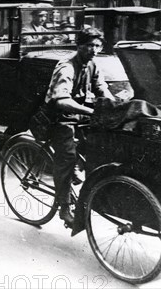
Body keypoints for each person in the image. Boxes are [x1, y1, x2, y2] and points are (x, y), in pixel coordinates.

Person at [44, 27, 115, 226]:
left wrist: (114, 105)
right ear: (79, 46)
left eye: (98, 46)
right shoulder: (66, 67)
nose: (94, 50)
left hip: (79, 115)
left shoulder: (92, 64)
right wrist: (91, 111)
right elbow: (61, 100)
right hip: (60, 118)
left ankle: (78, 165)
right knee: (66, 158)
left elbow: (101, 88)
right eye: (89, 45)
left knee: (96, 143)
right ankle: (64, 209)